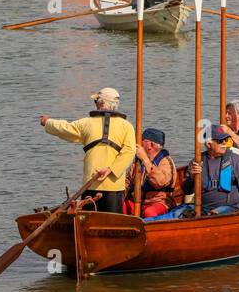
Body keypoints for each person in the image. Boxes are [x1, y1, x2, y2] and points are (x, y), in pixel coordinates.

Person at [39, 86, 136, 214]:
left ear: (100, 103)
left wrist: (47, 122)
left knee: (88, 221)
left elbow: (65, 128)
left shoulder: (86, 123)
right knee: (111, 223)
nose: (95, 104)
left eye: (96, 101)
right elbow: (129, 151)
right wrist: (111, 170)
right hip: (114, 186)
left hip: (91, 184)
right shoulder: (126, 126)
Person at [186, 125, 239, 215]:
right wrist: (191, 176)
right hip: (202, 208)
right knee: (178, 213)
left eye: (226, 140)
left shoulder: (234, 160)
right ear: (208, 144)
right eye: (220, 141)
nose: (224, 143)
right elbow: (187, 190)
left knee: (216, 213)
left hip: (230, 208)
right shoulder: (197, 161)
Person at [124, 127, 180, 218]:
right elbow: (127, 182)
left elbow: (159, 182)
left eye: (142, 140)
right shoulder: (137, 163)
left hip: (159, 202)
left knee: (149, 213)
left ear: (151, 144)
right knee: (120, 207)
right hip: (139, 201)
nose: (139, 144)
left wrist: (145, 160)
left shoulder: (165, 162)